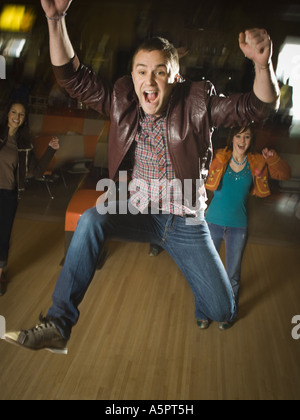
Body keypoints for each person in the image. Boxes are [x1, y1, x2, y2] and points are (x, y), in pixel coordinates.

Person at [4, 0, 280, 354]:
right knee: (90, 220)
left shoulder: (198, 100)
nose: (149, 81)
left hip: (186, 223)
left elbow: (255, 107)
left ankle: (207, 286)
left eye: (160, 71)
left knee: (221, 309)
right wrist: (56, 20)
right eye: (141, 71)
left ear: (175, 77)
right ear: (132, 76)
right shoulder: (121, 98)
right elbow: (72, 78)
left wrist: (263, 64)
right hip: (140, 211)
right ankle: (59, 323)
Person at [205, 125, 291, 330]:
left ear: (251, 140)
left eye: (247, 136)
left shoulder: (256, 162)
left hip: (238, 226)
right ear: (231, 138)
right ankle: (209, 308)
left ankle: (229, 313)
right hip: (212, 223)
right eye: (238, 136)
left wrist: (272, 158)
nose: (242, 141)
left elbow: (285, 174)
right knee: (208, 271)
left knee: (232, 274)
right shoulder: (218, 157)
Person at [0, 100, 60, 296]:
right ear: (7, 113)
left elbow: (36, 170)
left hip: (9, 195)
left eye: (21, 114)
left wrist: (51, 150)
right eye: (14, 112)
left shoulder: (24, 144)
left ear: (24, 119)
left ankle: (0, 273)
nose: (16, 117)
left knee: (3, 237)